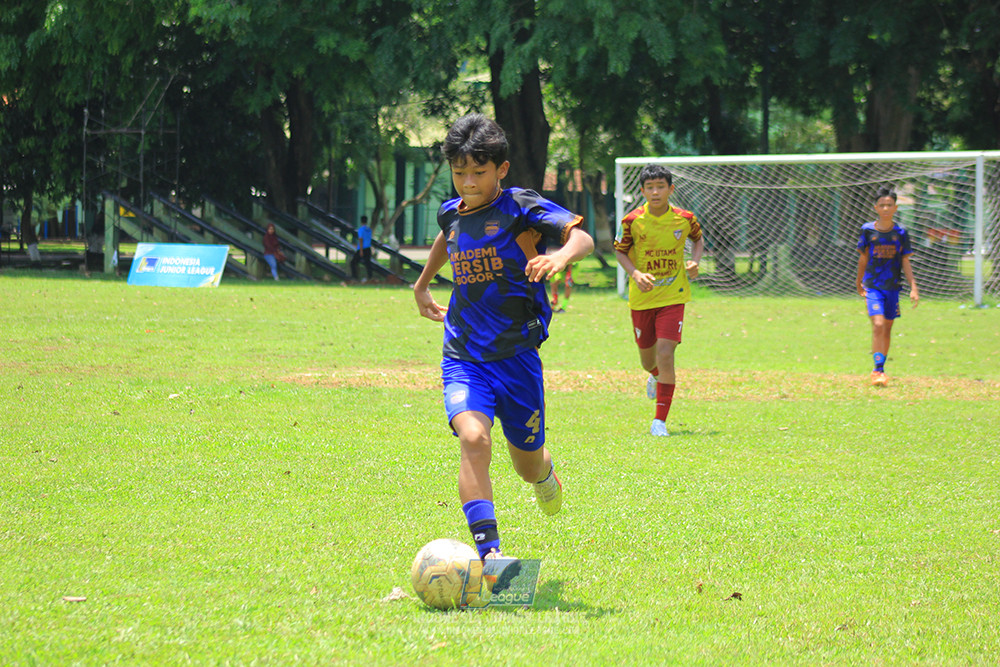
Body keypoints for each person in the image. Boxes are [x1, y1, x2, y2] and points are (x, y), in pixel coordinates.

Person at [413, 113, 594, 562]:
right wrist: (422, 284)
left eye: (479, 172)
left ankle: (544, 471)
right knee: (473, 439)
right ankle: (490, 555)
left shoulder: (520, 207)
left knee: (527, 466)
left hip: (517, 357)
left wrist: (560, 258)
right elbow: (447, 236)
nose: (468, 183)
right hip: (464, 353)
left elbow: (583, 239)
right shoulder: (451, 211)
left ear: (502, 169)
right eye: (459, 173)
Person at [614, 164, 704, 437]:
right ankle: (654, 375)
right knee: (647, 361)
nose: (655, 192)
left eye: (660, 187)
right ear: (642, 191)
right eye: (650, 188)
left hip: (673, 296)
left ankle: (659, 421)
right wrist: (635, 273)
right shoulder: (632, 221)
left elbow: (698, 240)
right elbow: (620, 251)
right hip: (642, 299)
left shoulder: (685, 218)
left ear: (670, 189)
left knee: (665, 353)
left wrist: (695, 262)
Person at [856, 188, 920, 386]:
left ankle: (881, 368)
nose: (885, 208)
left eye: (889, 205)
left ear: (895, 208)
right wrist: (858, 281)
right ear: (876, 207)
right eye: (882, 205)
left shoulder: (901, 232)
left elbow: (905, 260)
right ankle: (877, 371)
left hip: (892, 287)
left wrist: (913, 287)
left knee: (887, 327)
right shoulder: (868, 230)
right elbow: (863, 257)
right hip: (872, 286)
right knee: (878, 324)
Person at [351, 215, 373, 281]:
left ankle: (355, 277)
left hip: (362, 248)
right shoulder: (369, 230)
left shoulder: (361, 230)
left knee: (353, 262)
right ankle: (370, 277)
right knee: (368, 264)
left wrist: (361, 250)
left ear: (361, 221)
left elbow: (360, 239)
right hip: (368, 248)